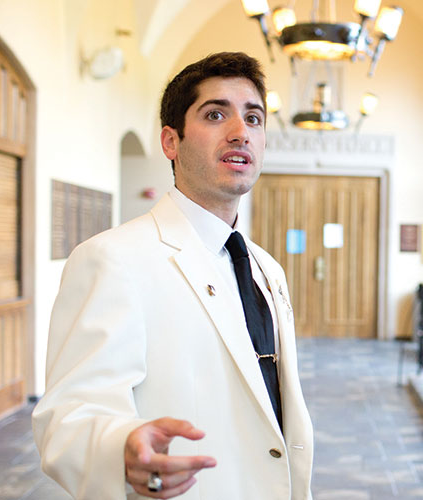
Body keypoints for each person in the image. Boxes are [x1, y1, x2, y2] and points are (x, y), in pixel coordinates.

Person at [32, 52, 314, 499]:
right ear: (171, 142)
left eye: (254, 118)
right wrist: (120, 451)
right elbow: (68, 416)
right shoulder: (113, 259)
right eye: (216, 114)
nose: (241, 132)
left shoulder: (266, 268)